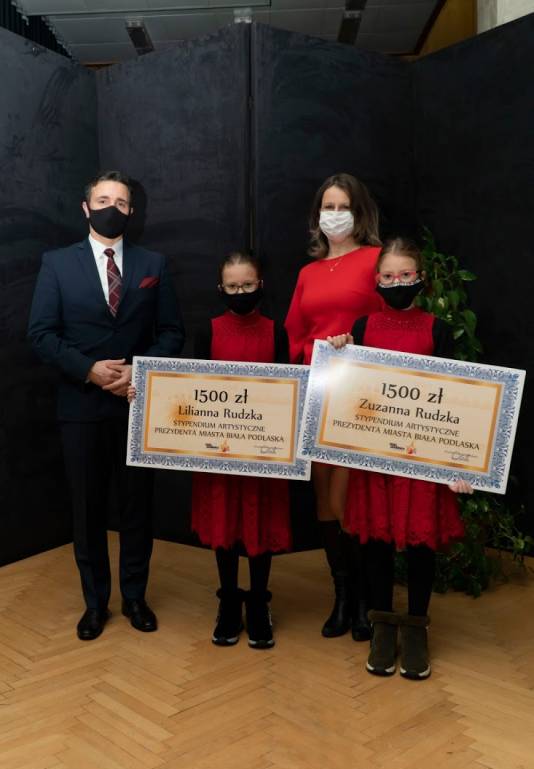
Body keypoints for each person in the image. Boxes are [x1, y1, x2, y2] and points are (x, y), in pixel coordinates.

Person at [28, 170, 184, 641]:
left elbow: (172, 332)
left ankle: (135, 597)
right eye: (102, 200)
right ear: (86, 207)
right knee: (88, 509)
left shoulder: (154, 263)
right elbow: (41, 334)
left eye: (120, 202)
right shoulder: (57, 264)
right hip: (80, 407)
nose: (111, 208)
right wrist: (90, 370)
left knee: (138, 507)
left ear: (131, 211)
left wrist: (140, 369)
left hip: (138, 405)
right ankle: (95, 604)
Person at [327, 237, 473, 680]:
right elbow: (346, 390)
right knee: (376, 541)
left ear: (420, 278)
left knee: (421, 544)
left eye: (405, 274)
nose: (397, 282)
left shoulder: (437, 330)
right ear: (377, 280)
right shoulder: (362, 327)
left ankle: (416, 628)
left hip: (421, 459)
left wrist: (459, 462)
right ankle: (383, 625)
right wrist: (338, 353)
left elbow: (455, 399)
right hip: (375, 459)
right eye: (388, 276)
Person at [285, 173, 383, 641]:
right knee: (323, 497)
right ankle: (341, 595)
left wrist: (357, 347)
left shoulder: (376, 260)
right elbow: (294, 333)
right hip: (317, 390)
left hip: (360, 395)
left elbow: (390, 322)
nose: (335, 215)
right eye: (328, 206)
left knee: (349, 498)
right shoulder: (307, 273)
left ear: (359, 213)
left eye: (343, 206)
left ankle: (364, 599)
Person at [193, 252, 291, 649]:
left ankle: (259, 602)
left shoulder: (276, 332)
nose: (240, 292)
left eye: (247, 285)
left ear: (260, 285)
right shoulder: (208, 330)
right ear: (221, 289)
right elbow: (194, 390)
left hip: (264, 455)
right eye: (232, 286)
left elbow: (289, 393)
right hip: (220, 452)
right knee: (225, 523)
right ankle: (229, 600)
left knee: (260, 523)